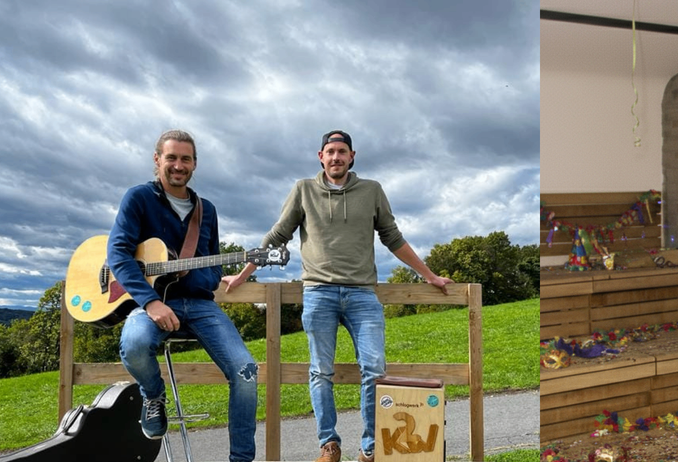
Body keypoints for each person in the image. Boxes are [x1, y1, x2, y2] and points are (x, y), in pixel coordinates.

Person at [223, 129, 453, 462]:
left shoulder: (372, 191)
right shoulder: (303, 190)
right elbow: (276, 236)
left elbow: (393, 237)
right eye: (330, 151)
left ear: (352, 156)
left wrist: (428, 275)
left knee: (374, 368)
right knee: (320, 371)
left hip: (362, 294)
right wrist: (245, 275)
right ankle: (329, 445)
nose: (336, 157)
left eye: (342, 151)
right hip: (318, 292)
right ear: (321, 156)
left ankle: (372, 448)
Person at [108, 129, 258, 462]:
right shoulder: (139, 198)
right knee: (133, 344)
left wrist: (206, 273)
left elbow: (214, 259)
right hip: (152, 303)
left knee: (247, 370)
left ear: (195, 164)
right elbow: (118, 253)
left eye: (186, 159)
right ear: (157, 159)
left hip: (202, 306)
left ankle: (242, 458)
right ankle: (153, 396)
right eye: (172, 157)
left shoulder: (208, 210)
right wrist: (151, 301)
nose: (179, 165)